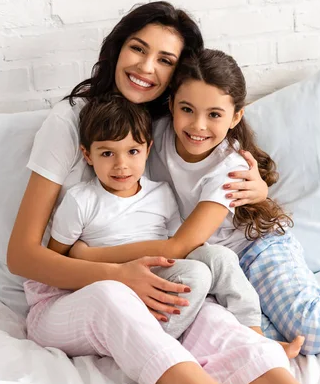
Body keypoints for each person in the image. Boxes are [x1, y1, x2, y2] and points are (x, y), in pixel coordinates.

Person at [8, 2, 320, 384]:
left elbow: (219, 149)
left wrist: (259, 189)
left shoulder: (170, 121)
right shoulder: (69, 123)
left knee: (211, 317)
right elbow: (22, 256)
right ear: (116, 48)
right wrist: (115, 273)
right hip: (68, 291)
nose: (147, 67)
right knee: (115, 298)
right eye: (137, 48)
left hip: (150, 275)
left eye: (165, 60)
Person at [73, 47, 320, 357]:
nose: (198, 126)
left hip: (254, 251)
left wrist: (90, 256)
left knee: (312, 332)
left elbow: (179, 246)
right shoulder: (151, 135)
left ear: (235, 117)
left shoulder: (229, 167)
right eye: (187, 109)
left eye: (214, 115)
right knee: (224, 336)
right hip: (208, 267)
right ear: (172, 104)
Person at [25, 91, 270, 341]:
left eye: (132, 152)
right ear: (88, 155)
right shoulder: (81, 200)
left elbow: (177, 245)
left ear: (147, 149)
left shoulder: (161, 193)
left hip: (160, 268)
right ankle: (154, 341)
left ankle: (254, 333)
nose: (121, 165)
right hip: (113, 280)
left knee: (221, 257)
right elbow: (56, 257)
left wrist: (85, 253)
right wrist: (89, 262)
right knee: (196, 275)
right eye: (107, 154)